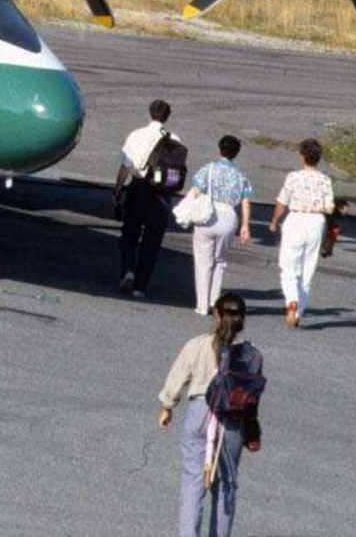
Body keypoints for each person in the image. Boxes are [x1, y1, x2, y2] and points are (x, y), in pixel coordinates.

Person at [158, 292, 264, 537]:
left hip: (200, 412)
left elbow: (177, 378)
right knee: (226, 485)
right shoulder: (252, 355)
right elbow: (253, 397)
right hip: (233, 421)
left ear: (216, 314)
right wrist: (252, 430)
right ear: (242, 320)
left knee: (193, 481)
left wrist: (167, 406)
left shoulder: (197, 345)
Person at [112, 99, 182, 300]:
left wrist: (117, 190)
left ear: (150, 114)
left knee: (129, 234)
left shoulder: (136, 135)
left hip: (138, 189)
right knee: (152, 242)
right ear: (167, 117)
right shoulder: (175, 139)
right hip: (161, 195)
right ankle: (140, 287)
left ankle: (128, 270)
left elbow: (126, 166)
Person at [268, 138, 335, 327]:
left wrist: (274, 220)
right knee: (308, 268)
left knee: (288, 266)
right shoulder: (325, 180)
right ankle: (298, 313)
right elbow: (329, 207)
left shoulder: (293, 177)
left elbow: (282, 201)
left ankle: (291, 301)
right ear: (319, 158)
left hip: (296, 218)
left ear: (302, 157)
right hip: (316, 221)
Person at [188, 136, 252, 316]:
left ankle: (202, 305)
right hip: (229, 217)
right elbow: (246, 201)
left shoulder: (208, 169)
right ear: (236, 154)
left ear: (219, 149)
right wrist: (245, 225)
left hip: (208, 215)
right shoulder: (240, 175)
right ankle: (215, 302)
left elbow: (196, 190)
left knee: (203, 262)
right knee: (220, 261)